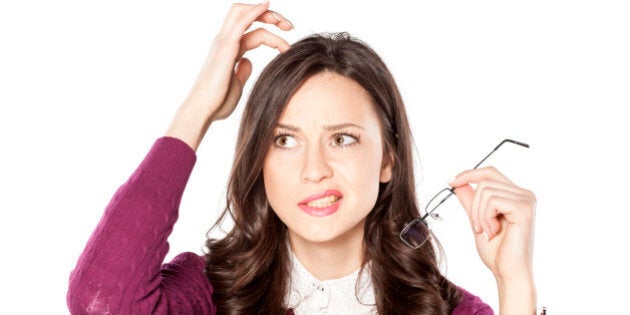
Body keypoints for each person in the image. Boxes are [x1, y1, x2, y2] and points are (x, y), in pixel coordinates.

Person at [67, 2, 538, 314]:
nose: (314, 169)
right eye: (285, 141)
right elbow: (100, 301)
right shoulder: (212, 293)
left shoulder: (444, 309)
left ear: (388, 160)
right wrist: (198, 110)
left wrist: (514, 282)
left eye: (343, 139)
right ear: (260, 161)